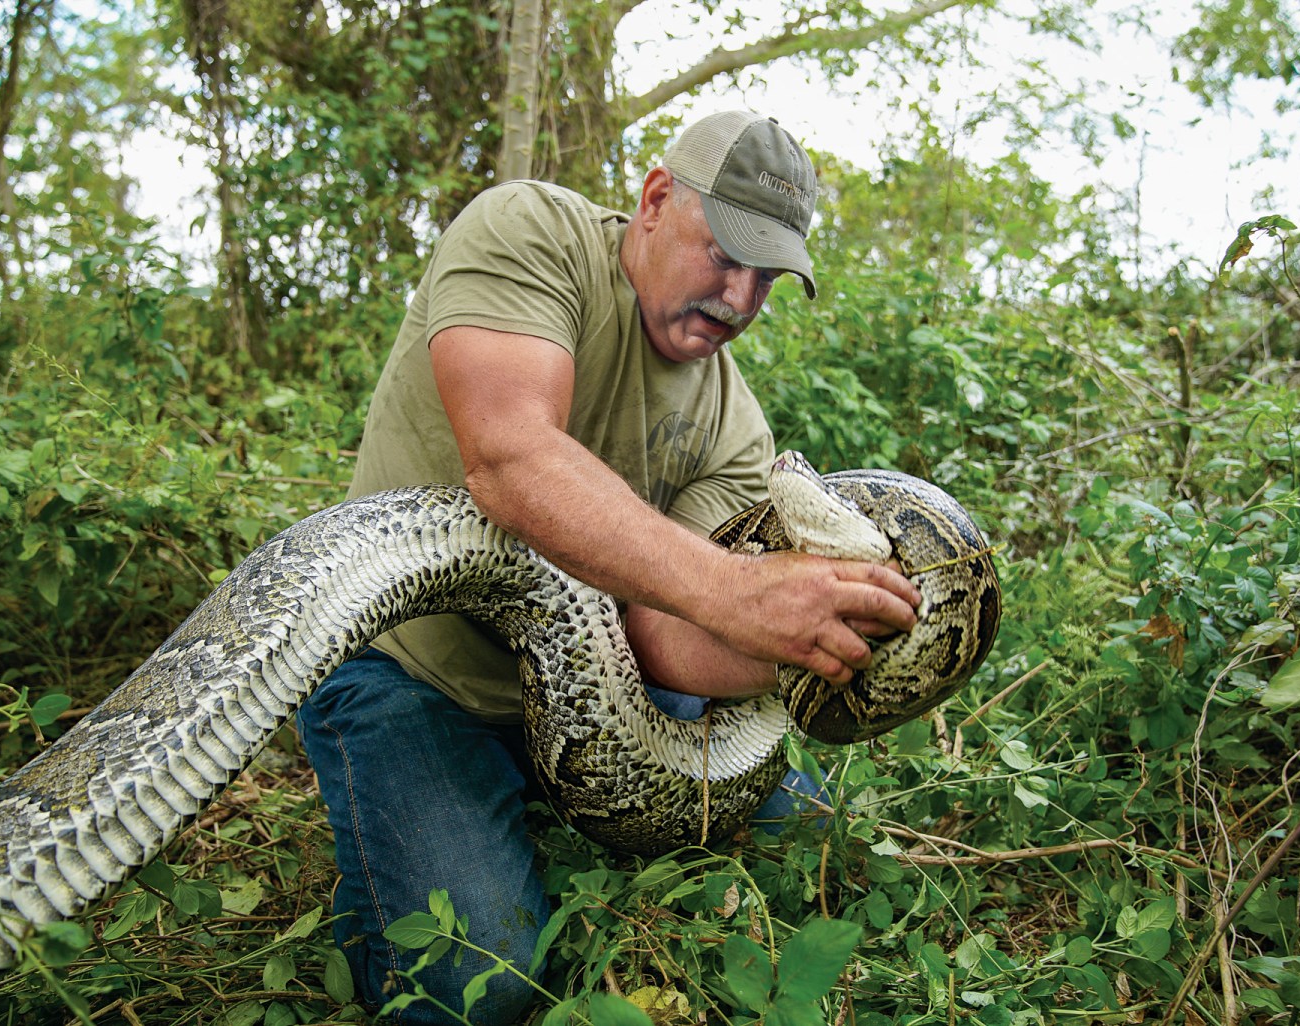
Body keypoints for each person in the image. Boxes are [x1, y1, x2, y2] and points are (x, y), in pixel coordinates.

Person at [296, 111, 921, 1023]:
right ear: (657, 199)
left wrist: (817, 643)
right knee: (488, 981)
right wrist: (735, 591)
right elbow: (510, 457)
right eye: (725, 254)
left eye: (768, 276)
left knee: (813, 844)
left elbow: (659, 631)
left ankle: (540, 808)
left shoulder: (738, 429)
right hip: (414, 673)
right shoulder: (529, 232)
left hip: (603, 693)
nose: (740, 298)